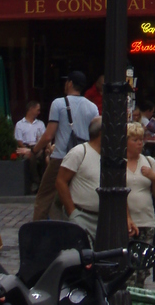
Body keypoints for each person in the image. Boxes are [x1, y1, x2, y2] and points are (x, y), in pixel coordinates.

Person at [31, 71, 99, 220]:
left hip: (62, 158)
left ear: (69, 83)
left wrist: (34, 150)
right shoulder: (92, 107)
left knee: (44, 195)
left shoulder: (59, 103)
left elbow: (49, 134)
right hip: (84, 158)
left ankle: (37, 229)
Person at [126, 121, 155, 285]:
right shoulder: (119, 163)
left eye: (141, 140)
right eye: (135, 140)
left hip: (146, 219)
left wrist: (154, 178)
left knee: (142, 268)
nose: (139, 143)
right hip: (127, 221)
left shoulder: (148, 162)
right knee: (128, 268)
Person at [55, 117, 104, 238]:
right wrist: (73, 213)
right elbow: (61, 181)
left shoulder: (110, 155)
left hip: (104, 218)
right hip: (82, 216)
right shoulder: (79, 152)